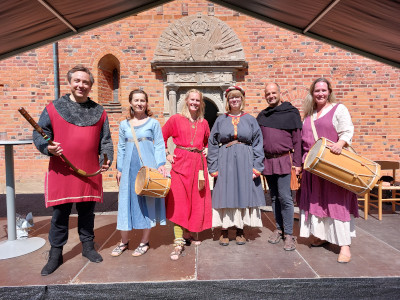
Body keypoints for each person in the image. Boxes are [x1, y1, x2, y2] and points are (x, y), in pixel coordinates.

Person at [33, 65, 113, 276]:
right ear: (69, 83)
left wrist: (107, 158)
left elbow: (106, 140)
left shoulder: (99, 111)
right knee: (60, 215)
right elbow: (40, 133)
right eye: (77, 81)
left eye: (85, 82)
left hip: (88, 171)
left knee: (87, 213)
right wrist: (47, 147)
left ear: (91, 86)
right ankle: (55, 254)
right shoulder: (54, 107)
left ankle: (88, 247)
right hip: (63, 171)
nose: (81, 85)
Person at [297, 77, 358, 263]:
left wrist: (340, 144)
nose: (320, 94)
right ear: (312, 93)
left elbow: (347, 130)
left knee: (336, 203)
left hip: (332, 165)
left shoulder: (338, 109)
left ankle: (344, 246)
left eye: (323, 90)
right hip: (313, 168)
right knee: (318, 203)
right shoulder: (309, 115)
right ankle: (322, 236)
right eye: (317, 91)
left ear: (329, 91)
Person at [111, 89, 167, 257]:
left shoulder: (153, 123)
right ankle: (124, 241)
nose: (139, 103)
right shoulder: (124, 125)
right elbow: (121, 147)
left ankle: (144, 241)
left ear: (146, 103)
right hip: (128, 168)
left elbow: (159, 145)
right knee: (126, 202)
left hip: (147, 166)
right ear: (130, 103)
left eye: (142, 100)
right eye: (136, 100)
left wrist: (161, 164)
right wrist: (119, 168)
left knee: (147, 201)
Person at [207, 86, 265, 246]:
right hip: (225, 159)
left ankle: (240, 230)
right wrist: (213, 167)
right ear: (228, 101)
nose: (234, 100)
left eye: (237, 97)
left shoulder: (250, 120)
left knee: (242, 193)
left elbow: (258, 143)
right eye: (231, 98)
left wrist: (257, 166)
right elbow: (212, 143)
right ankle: (224, 230)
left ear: (242, 99)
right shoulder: (220, 120)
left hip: (245, 160)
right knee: (225, 194)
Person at [162, 89, 212, 260]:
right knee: (180, 202)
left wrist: (206, 149)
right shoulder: (176, 119)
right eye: (192, 99)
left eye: (198, 100)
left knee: (195, 199)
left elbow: (208, 140)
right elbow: (160, 136)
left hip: (198, 164)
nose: (194, 103)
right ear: (186, 100)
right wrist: (166, 154)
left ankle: (188, 233)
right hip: (181, 162)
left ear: (201, 103)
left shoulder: (203, 122)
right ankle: (178, 242)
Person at [256, 83, 302, 251]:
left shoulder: (291, 113)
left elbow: (298, 141)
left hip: (285, 160)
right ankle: (279, 228)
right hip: (268, 161)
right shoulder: (263, 115)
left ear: (279, 93)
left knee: (285, 197)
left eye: (273, 93)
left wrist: (297, 164)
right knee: (274, 197)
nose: (271, 96)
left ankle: (289, 234)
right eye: (268, 94)